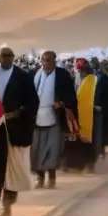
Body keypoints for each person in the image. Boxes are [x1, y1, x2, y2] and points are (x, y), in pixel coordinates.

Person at [0, 45, 38, 216]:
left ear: (13, 57)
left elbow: (33, 102)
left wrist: (19, 112)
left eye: (9, 55)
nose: (5, 58)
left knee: (11, 169)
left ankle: (7, 207)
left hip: (15, 129)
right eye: (2, 55)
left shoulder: (23, 77)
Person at [30, 50, 77, 187]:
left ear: (54, 61)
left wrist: (61, 103)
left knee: (53, 149)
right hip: (37, 117)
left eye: (48, 60)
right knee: (37, 149)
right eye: (43, 60)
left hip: (55, 117)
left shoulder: (62, 75)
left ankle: (51, 178)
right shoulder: (34, 74)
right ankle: (40, 178)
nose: (45, 63)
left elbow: (71, 96)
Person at [63, 58, 98, 172]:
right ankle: (83, 164)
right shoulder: (89, 81)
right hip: (83, 116)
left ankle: (84, 164)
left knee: (84, 141)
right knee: (82, 141)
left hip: (88, 116)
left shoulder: (90, 81)